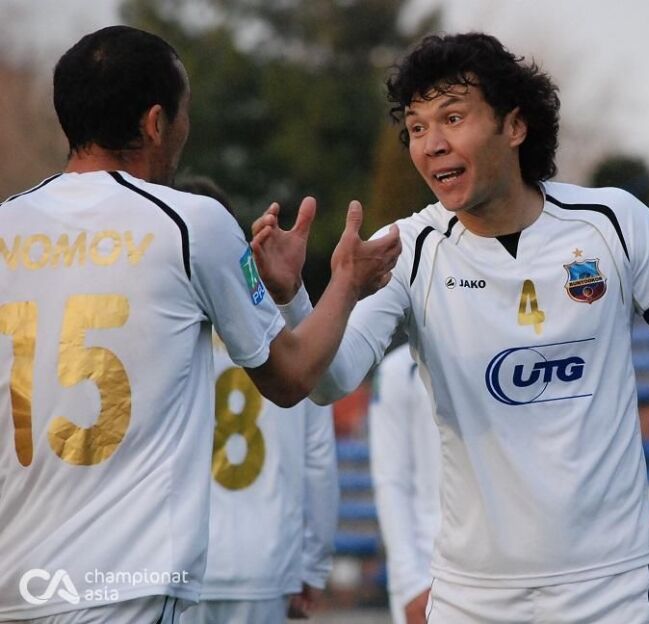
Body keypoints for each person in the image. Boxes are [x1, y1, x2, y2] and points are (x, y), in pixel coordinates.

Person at [253, 32, 649, 622]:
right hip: (472, 596)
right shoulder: (408, 249)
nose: (432, 144)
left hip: (609, 585)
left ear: (514, 126)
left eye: (452, 118)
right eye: (416, 128)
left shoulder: (611, 222)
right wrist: (294, 298)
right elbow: (331, 380)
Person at [0, 25, 398, 623]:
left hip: (16, 585)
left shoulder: (8, 223)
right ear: (156, 122)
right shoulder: (191, 223)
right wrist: (346, 282)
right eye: (185, 113)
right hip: (126, 587)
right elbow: (291, 378)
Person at [171, 179, 338, 624]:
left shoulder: (159, 327)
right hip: (265, 559)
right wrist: (314, 563)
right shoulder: (287, 330)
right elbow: (319, 457)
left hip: (176, 559)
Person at [368, 345, 441, 624]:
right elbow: (391, 480)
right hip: (429, 570)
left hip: (505, 571)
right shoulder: (399, 370)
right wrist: (410, 585)